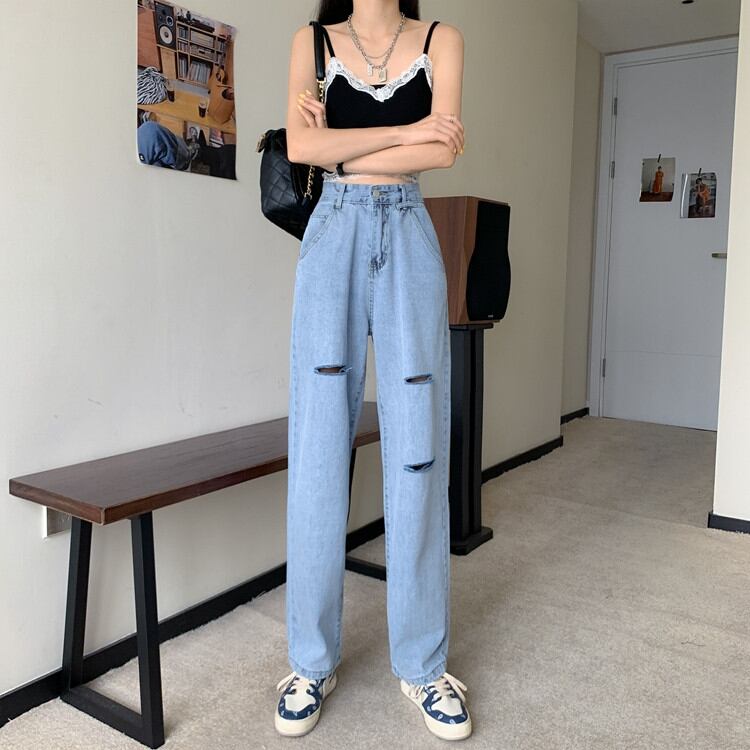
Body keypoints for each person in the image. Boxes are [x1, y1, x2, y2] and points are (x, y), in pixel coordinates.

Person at [275, 0, 471, 741]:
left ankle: (422, 664)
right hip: (333, 234)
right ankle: (310, 661)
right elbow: (300, 147)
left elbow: (443, 152)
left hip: (409, 230)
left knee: (418, 447)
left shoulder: (442, 40)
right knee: (318, 450)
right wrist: (406, 131)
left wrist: (342, 146)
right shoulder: (311, 41)